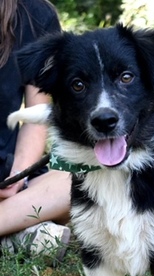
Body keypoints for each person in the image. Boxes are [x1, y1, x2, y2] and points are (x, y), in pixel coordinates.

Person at [0, 0, 71, 260]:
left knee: (82, 180)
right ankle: (19, 232)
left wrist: (17, 176)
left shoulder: (34, 14)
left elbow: (36, 115)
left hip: (6, 175)